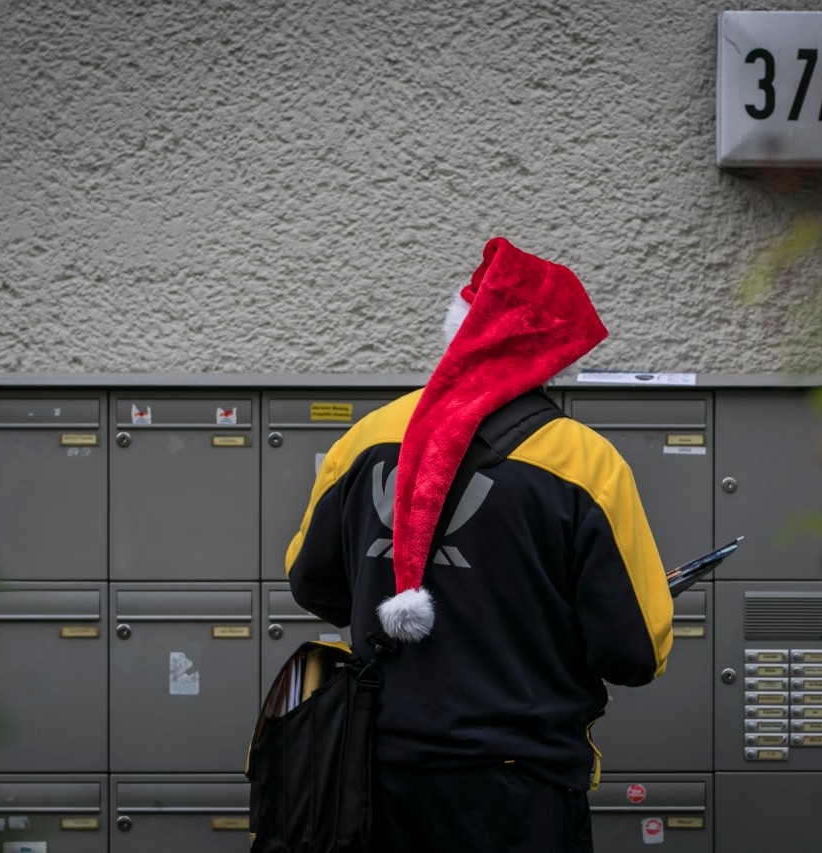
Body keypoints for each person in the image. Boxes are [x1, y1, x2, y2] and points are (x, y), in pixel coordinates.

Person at [286, 237, 674, 852]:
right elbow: (633, 653)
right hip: (520, 786)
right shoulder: (584, 462)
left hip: (375, 776)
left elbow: (312, 581)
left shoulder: (365, 438)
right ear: (555, 355)